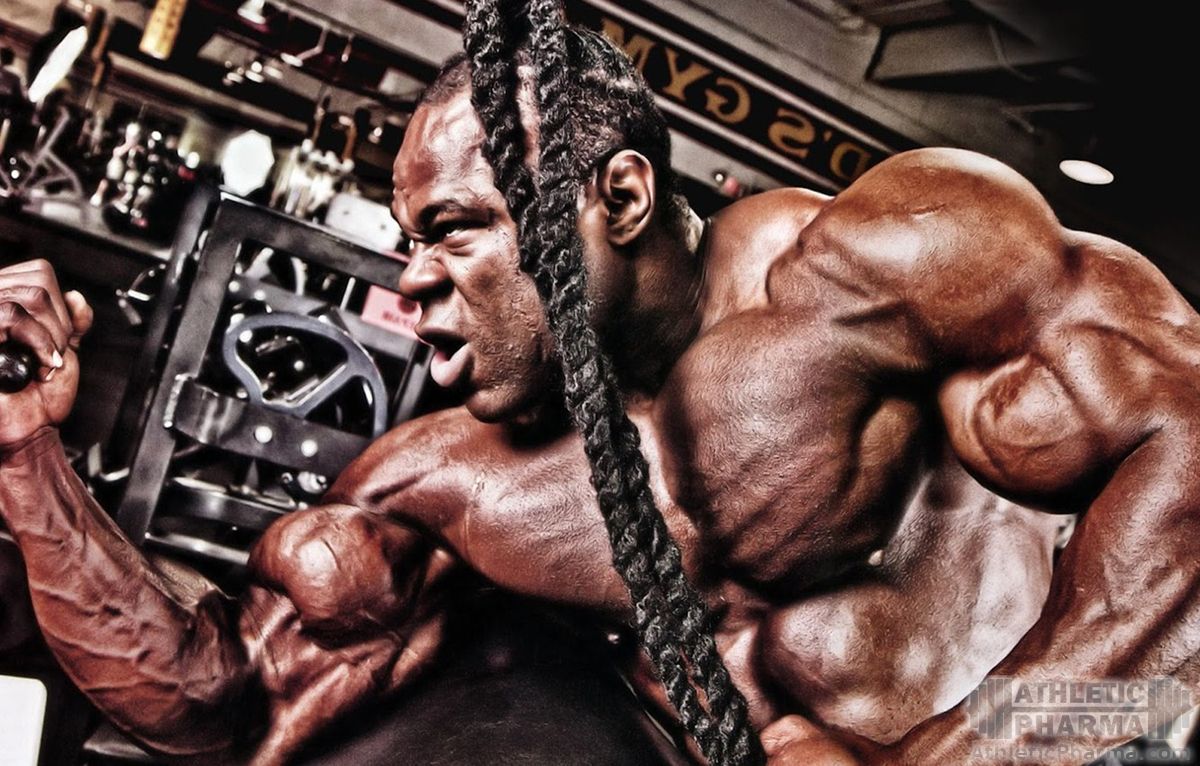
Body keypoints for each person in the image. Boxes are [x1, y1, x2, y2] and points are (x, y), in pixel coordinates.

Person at [1, 9, 1197, 765]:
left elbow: (1186, 438)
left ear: (617, 199)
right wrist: (24, 456)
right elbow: (218, 699)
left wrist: (973, 753)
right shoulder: (455, 479)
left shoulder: (874, 264)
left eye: (454, 228)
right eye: (409, 239)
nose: (410, 279)